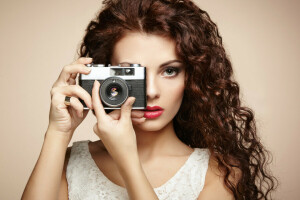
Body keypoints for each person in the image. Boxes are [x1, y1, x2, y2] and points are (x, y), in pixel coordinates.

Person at [21, 0, 277, 199]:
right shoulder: (69, 163)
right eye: (131, 72)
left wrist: (128, 160)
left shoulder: (220, 172)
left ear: (192, 77)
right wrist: (57, 132)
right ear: (105, 75)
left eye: (169, 70)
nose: (152, 91)